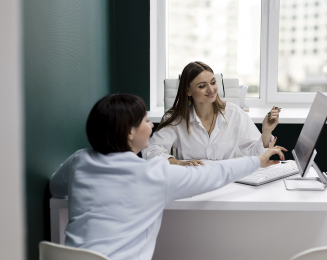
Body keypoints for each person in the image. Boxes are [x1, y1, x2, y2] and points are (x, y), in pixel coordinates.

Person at [49, 94, 286, 260]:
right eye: (144, 120)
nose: (151, 125)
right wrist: (257, 161)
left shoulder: (78, 161)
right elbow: (215, 173)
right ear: (130, 132)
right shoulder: (154, 174)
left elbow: (55, 188)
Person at [141, 61, 282, 166]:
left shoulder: (234, 113)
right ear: (188, 91)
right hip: (192, 180)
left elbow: (256, 154)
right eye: (202, 86)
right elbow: (150, 151)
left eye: (213, 82)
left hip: (227, 180)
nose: (211, 90)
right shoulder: (176, 118)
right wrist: (179, 163)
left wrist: (266, 132)